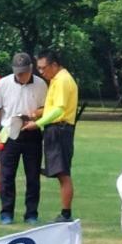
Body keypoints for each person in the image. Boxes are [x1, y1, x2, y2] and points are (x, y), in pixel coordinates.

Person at [0, 52, 47, 225]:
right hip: (8, 132)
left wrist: (36, 114)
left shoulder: (41, 84)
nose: (20, 75)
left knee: (33, 175)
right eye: (17, 72)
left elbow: (45, 108)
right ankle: (6, 212)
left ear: (31, 69)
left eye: (23, 72)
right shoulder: (3, 83)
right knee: (7, 175)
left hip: (32, 132)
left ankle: (31, 213)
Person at [22, 49, 79, 222]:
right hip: (56, 129)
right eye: (38, 68)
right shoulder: (56, 79)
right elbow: (53, 108)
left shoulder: (62, 80)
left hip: (60, 130)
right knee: (59, 171)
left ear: (54, 65)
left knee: (63, 174)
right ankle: (64, 211)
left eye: (43, 68)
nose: (41, 72)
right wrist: (39, 113)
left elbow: (59, 110)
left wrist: (37, 123)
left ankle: (66, 213)